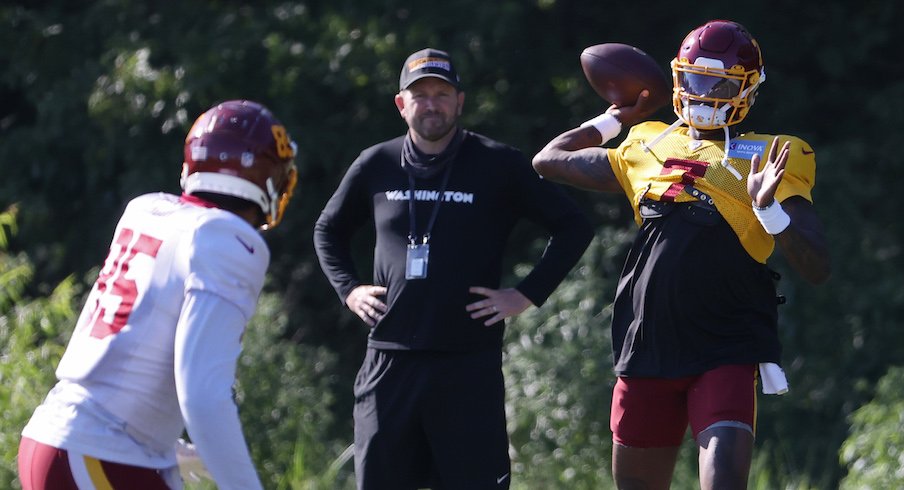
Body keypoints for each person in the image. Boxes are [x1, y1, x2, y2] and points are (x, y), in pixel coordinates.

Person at [532, 20, 831, 490]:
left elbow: (816, 266)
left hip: (726, 342)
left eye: (720, 83)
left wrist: (767, 208)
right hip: (647, 341)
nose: (705, 93)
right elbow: (548, 159)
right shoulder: (647, 140)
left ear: (748, 89)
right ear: (677, 79)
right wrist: (618, 115)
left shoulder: (773, 154)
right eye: (696, 79)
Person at [313, 47, 593, 489]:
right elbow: (327, 231)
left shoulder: (498, 163)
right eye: (420, 94)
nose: (431, 104)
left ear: (459, 101)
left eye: (442, 93)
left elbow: (574, 225)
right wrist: (349, 289)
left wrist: (525, 294)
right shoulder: (376, 163)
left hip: (467, 365)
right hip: (389, 362)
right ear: (401, 104)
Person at [17, 100, 299, 490]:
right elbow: (202, 395)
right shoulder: (229, 241)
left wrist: (164, 441)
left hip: (68, 441)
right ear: (264, 175)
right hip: (100, 453)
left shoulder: (147, 210)